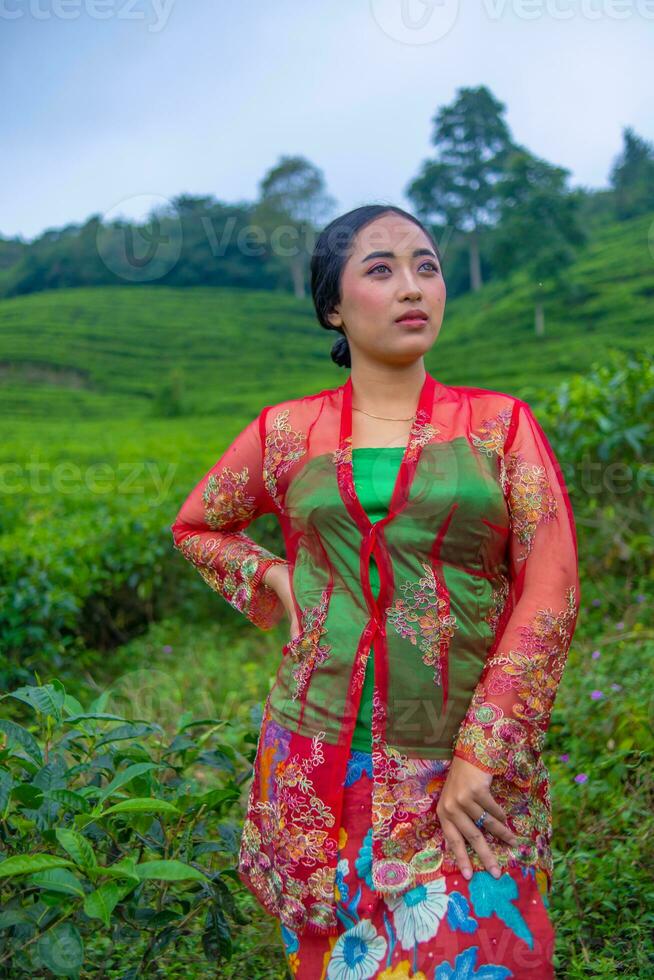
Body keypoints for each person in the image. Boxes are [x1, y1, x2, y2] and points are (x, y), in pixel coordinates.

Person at [170, 204, 580, 978]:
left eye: (426, 266)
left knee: (487, 956)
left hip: (464, 763)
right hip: (318, 758)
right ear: (333, 306)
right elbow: (199, 525)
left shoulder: (499, 428)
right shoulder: (285, 434)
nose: (412, 287)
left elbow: (549, 589)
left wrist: (484, 751)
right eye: (381, 269)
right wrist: (274, 577)